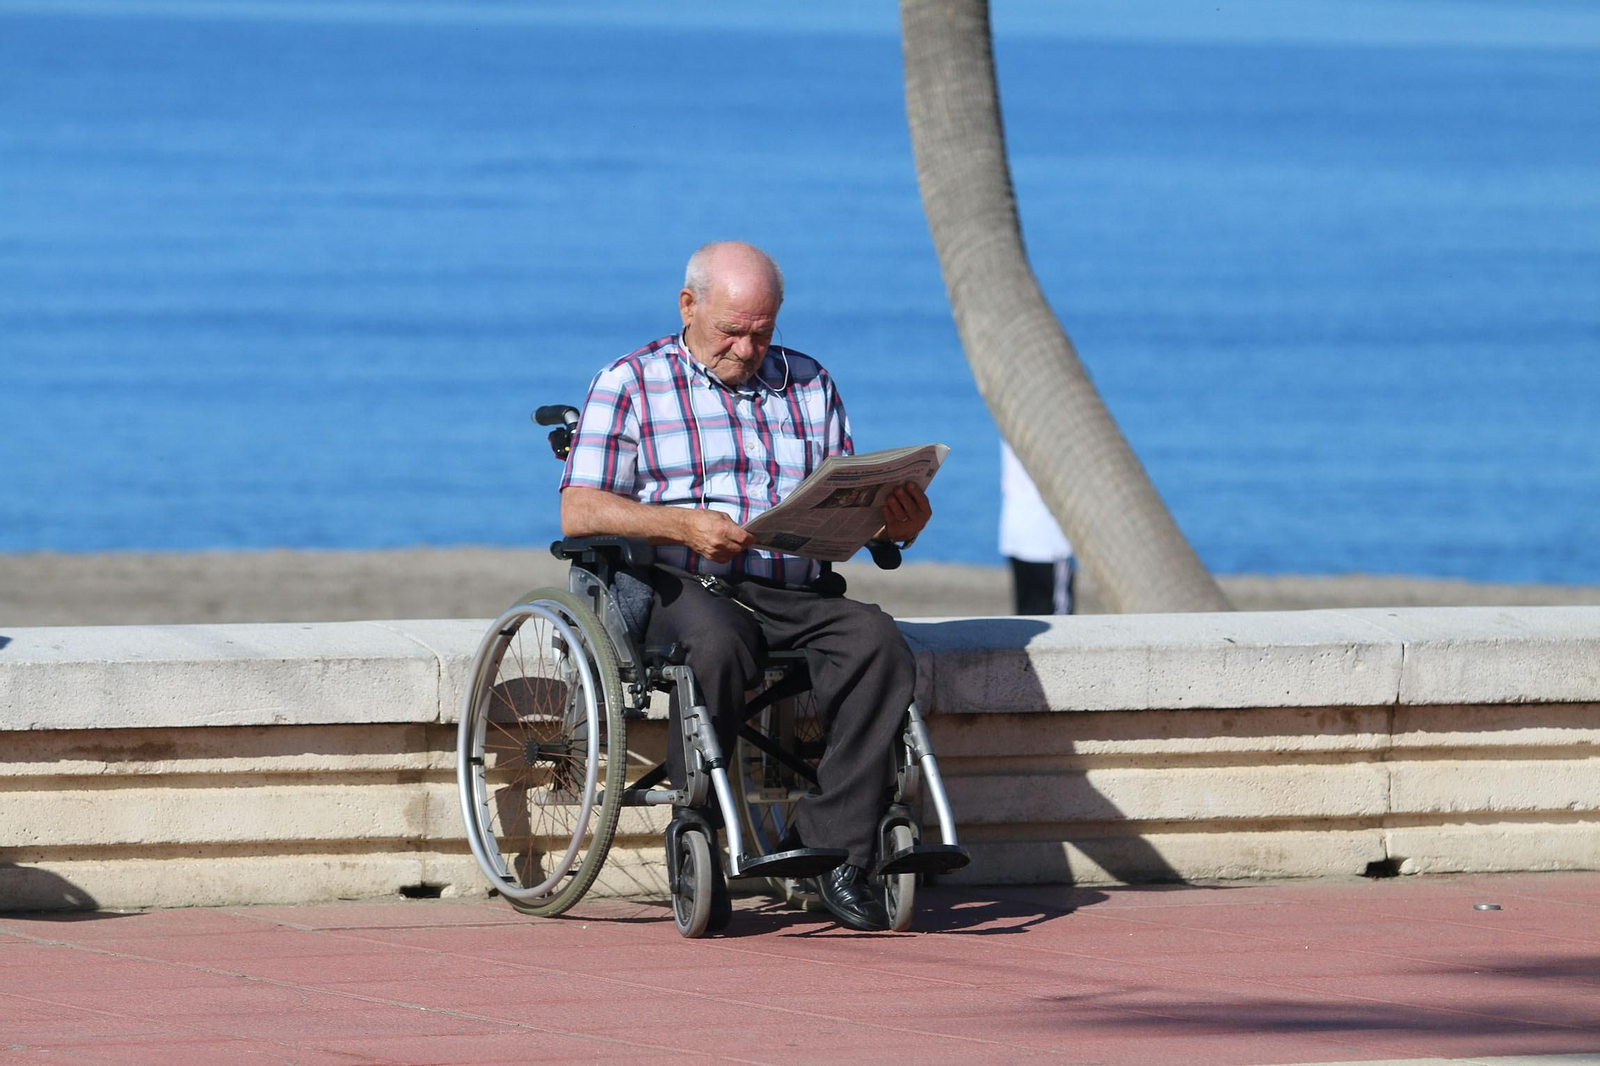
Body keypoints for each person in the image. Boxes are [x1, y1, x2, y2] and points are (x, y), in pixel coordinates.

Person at [559, 241, 931, 931]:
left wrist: (893, 526)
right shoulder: (631, 381)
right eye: (731, 330)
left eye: (761, 332)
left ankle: (835, 849)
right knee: (720, 643)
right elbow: (579, 508)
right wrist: (681, 525)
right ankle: (696, 816)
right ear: (687, 306)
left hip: (793, 585)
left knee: (877, 643)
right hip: (682, 579)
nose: (746, 347)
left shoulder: (810, 382)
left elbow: (843, 504)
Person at [1000, 439, 1076, 615]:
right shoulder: (1061, 424)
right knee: (1062, 625)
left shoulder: (1013, 420)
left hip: (1016, 531)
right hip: (1050, 538)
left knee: (1025, 619)